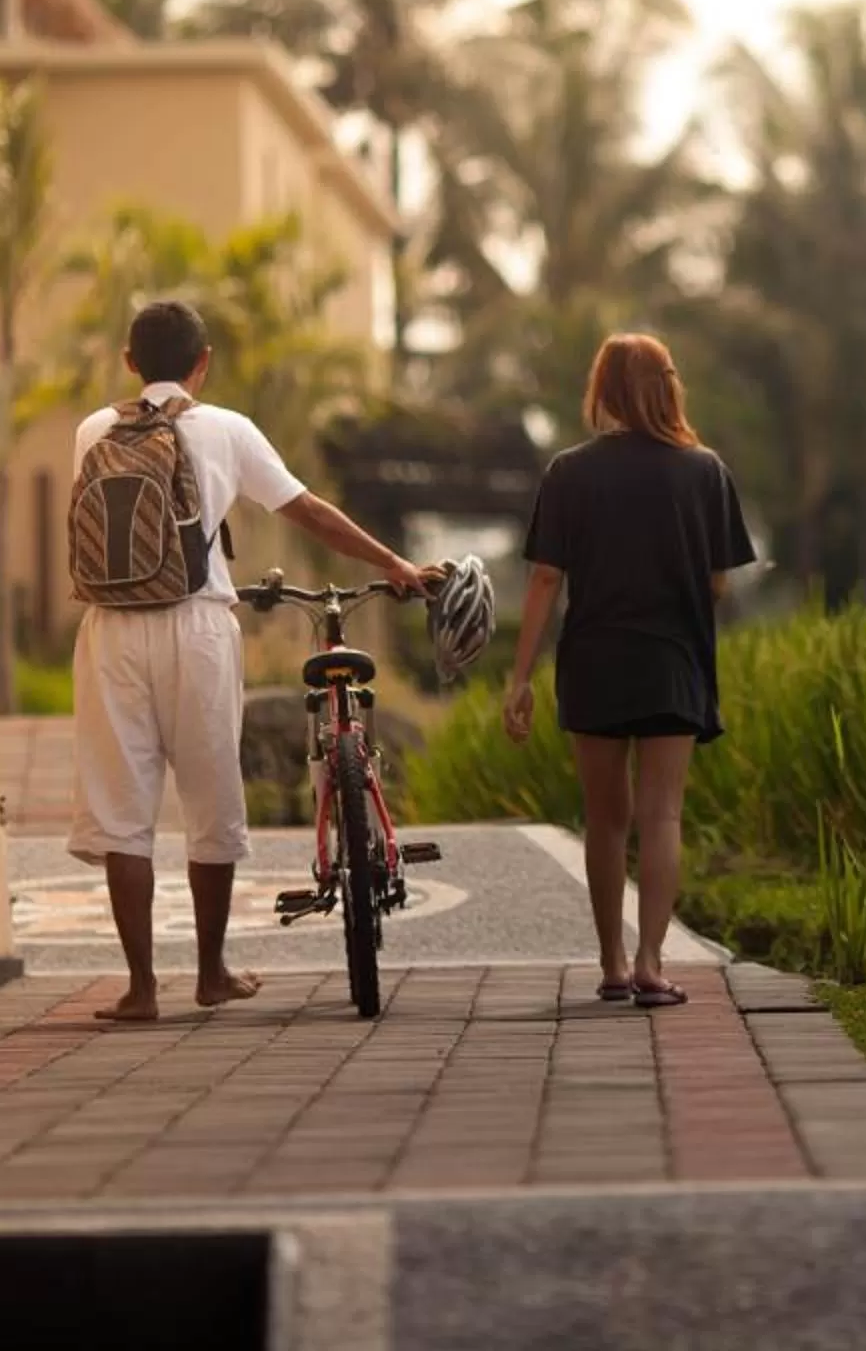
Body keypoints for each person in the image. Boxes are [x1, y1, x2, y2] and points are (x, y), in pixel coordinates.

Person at [69, 299, 436, 1023]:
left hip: (110, 628)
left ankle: (141, 989)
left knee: (122, 810)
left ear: (129, 362)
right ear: (203, 363)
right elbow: (307, 511)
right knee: (209, 797)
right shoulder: (226, 430)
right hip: (197, 625)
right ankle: (211, 973)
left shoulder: (93, 429)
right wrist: (393, 563)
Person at [503, 333, 755, 1008]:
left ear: (604, 391)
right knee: (662, 814)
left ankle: (612, 964)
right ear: (668, 385)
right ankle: (651, 962)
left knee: (606, 817)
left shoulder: (569, 471)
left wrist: (519, 677)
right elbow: (719, 584)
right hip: (672, 660)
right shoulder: (704, 470)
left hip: (595, 660)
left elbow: (545, 578)